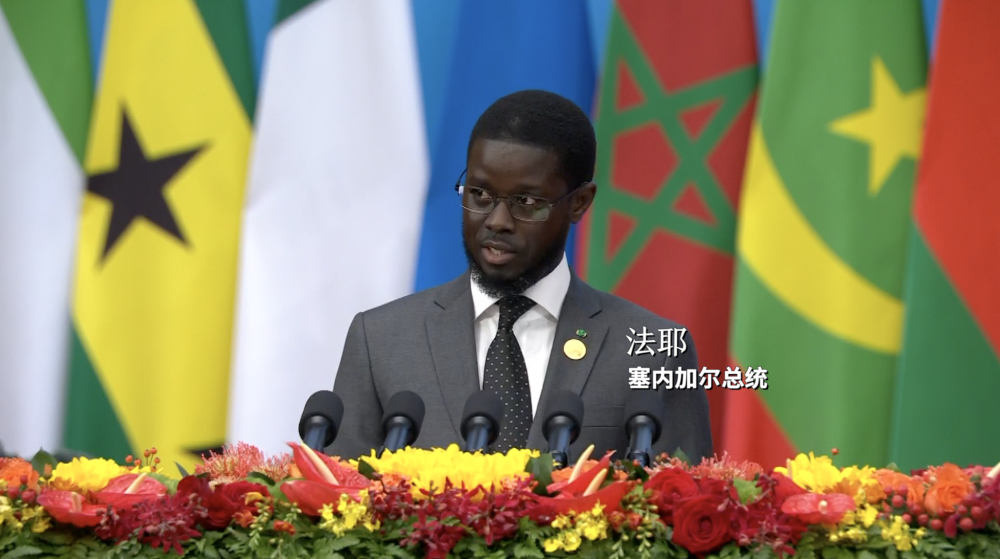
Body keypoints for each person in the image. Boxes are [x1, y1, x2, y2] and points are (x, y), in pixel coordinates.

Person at [329, 90, 712, 463]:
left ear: (579, 203)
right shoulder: (381, 340)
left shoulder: (657, 352)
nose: (497, 221)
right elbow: (336, 495)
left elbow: (685, 496)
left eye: (526, 202)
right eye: (480, 194)